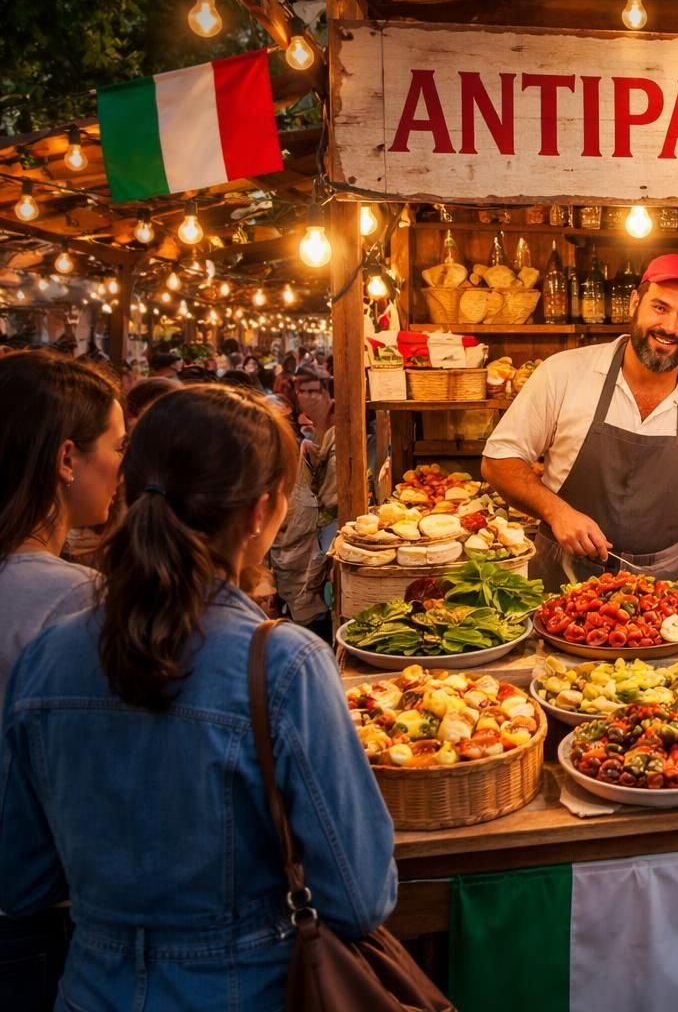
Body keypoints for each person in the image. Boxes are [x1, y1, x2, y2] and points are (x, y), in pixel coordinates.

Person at [0, 385, 396, 1011]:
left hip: (89, 991)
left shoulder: (48, 655)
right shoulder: (285, 664)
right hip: (247, 988)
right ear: (260, 512)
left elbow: (20, 879)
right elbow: (359, 896)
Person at [483, 254, 678, 588]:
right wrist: (556, 511)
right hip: (560, 573)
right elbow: (498, 460)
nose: (670, 327)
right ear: (635, 303)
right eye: (660, 307)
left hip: (661, 585)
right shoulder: (564, 373)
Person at [0, 352, 123, 1012]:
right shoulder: (74, 600)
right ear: (67, 458)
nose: (122, 469)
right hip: (35, 912)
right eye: (117, 447)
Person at [268, 362, 337, 636]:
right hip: (297, 549)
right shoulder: (301, 442)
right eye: (303, 391)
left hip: (315, 543)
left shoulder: (328, 436)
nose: (308, 397)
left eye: (314, 391)